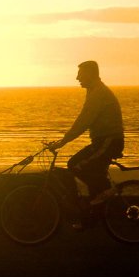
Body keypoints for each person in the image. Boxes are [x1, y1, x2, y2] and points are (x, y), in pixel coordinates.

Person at [49, 60, 124, 207]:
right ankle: (96, 206)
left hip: (108, 141)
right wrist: (63, 139)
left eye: (80, 74)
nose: (77, 78)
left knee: (75, 164)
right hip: (102, 142)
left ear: (90, 74)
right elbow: (83, 121)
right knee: (90, 171)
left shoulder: (98, 93)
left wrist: (63, 141)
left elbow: (83, 121)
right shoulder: (94, 91)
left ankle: (106, 191)